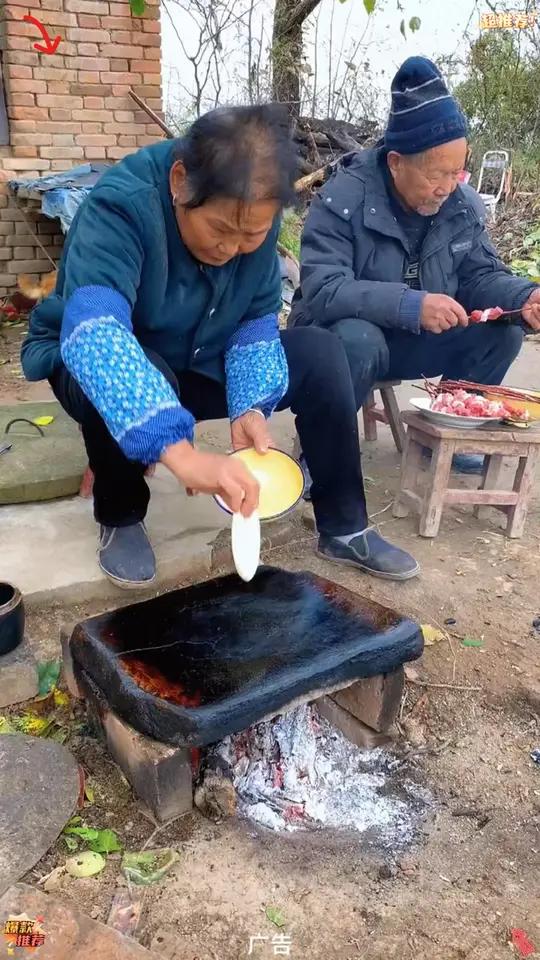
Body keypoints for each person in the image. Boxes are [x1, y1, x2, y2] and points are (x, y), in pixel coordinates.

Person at [21, 104, 419, 588]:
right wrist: (184, 457)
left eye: (251, 235)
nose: (231, 249)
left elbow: (254, 318)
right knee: (139, 368)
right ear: (179, 182)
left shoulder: (257, 212)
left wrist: (249, 405)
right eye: (220, 230)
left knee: (320, 352)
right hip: (104, 359)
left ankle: (344, 526)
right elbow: (96, 337)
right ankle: (120, 515)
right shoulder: (120, 207)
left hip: (199, 355)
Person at [290, 57, 540, 473]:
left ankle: (446, 432)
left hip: (412, 341)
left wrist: (524, 297)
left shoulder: (460, 204)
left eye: (457, 173)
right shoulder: (343, 198)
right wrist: (412, 305)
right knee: (358, 340)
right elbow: (324, 290)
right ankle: (320, 450)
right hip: (342, 339)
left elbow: (479, 275)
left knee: (502, 334)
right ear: (396, 162)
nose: (447, 187)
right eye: (436, 174)